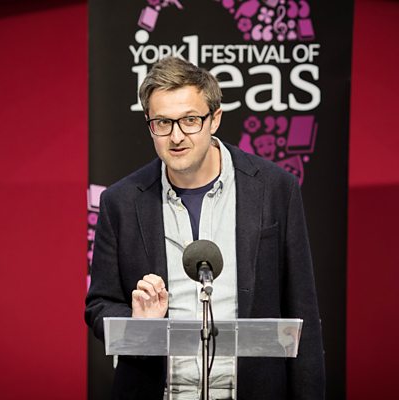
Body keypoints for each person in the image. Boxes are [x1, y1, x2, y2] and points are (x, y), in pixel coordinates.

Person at [85, 56, 325, 400]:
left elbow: (303, 308)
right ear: (149, 124)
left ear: (215, 119)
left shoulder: (275, 188)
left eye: (190, 120)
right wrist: (139, 323)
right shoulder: (120, 201)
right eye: (162, 123)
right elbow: (100, 304)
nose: (176, 136)